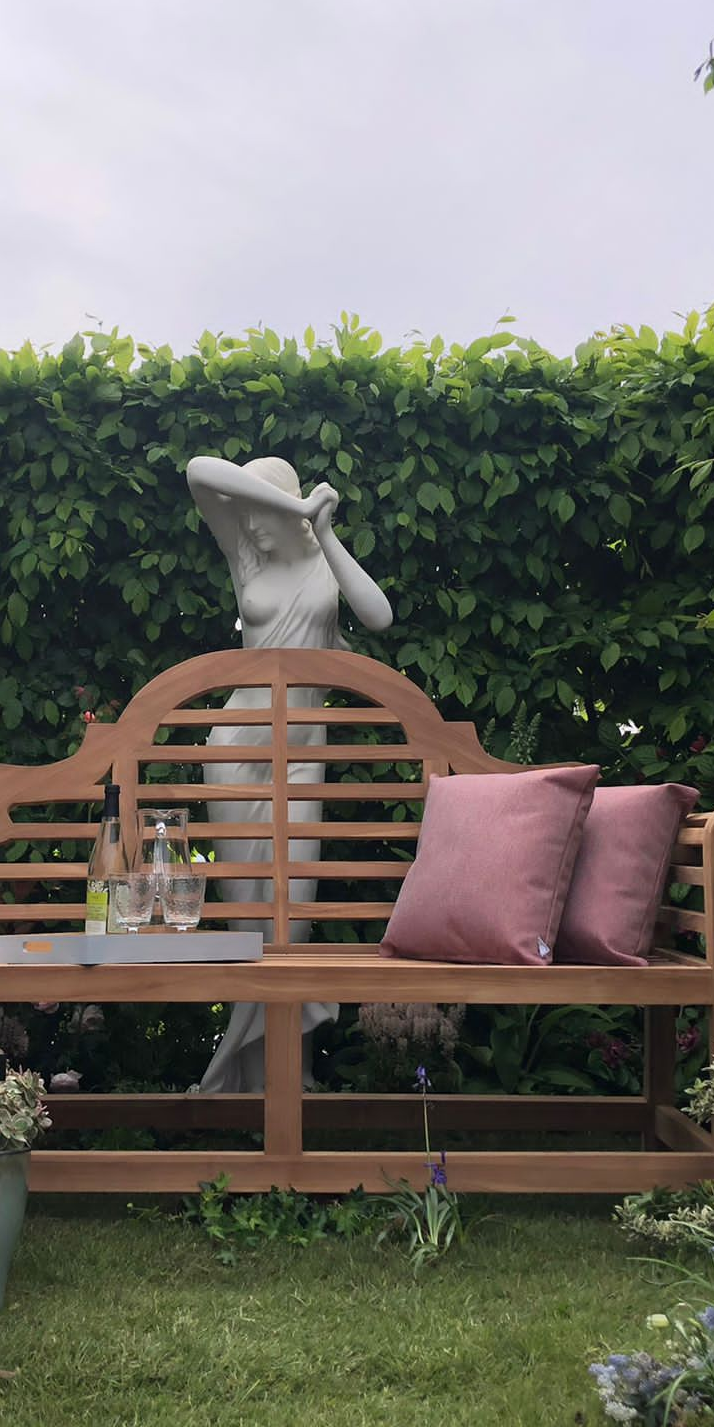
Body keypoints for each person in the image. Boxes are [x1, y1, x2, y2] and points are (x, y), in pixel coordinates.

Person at [184, 454, 394, 1093]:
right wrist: (286, 509)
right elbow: (199, 470)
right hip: (235, 751)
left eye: (261, 516)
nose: (251, 529)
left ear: (287, 508)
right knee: (250, 922)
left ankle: (269, 1079)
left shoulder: (319, 559)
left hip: (303, 755)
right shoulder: (246, 559)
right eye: (246, 519)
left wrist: (320, 530)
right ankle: (266, 1084)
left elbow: (379, 616)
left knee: (290, 920)